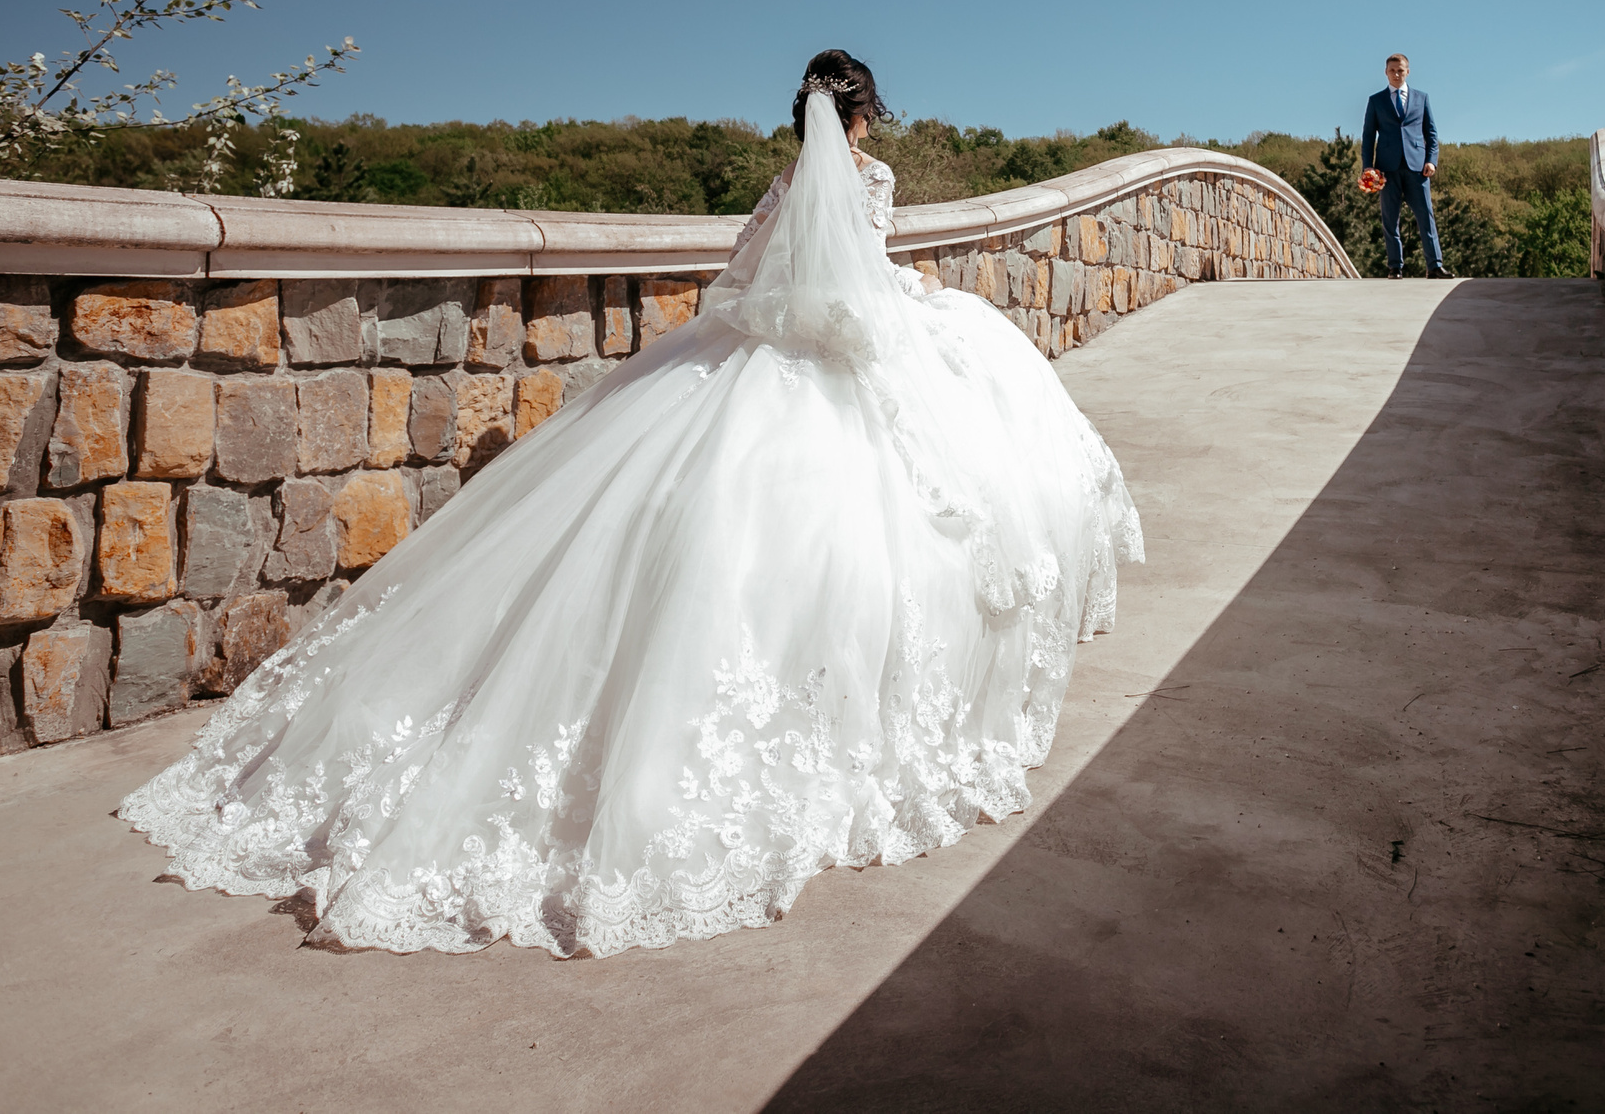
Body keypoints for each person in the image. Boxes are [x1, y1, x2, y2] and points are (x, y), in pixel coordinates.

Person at [119, 50, 1143, 957]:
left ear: (802, 120)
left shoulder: (785, 183)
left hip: (752, 353)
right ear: (864, 114)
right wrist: (897, 303)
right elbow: (860, 279)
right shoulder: (868, 179)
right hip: (836, 354)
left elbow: (743, 278)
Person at [1360, 52, 1454, 278]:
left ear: (1407, 72)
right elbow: (1368, 136)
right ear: (1386, 72)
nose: (1396, 74)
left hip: (1417, 168)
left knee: (1426, 216)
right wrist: (1367, 166)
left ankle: (1434, 266)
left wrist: (1432, 160)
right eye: (1392, 70)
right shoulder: (1376, 101)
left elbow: (1431, 133)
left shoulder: (1422, 98)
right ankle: (1395, 267)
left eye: (1400, 70)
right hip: (1386, 169)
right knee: (1390, 220)